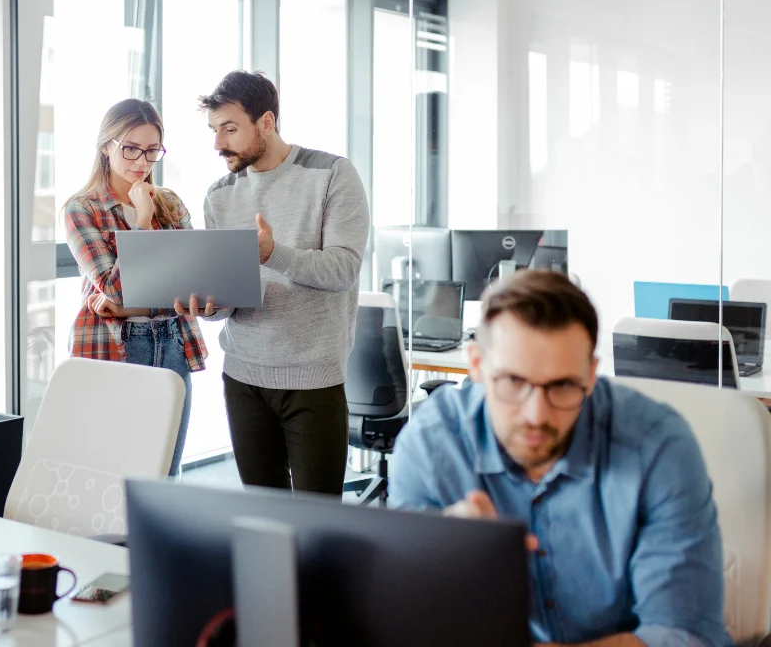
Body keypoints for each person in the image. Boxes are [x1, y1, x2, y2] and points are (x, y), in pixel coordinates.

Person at [389, 270, 730, 647]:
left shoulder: (658, 447)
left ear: (589, 374)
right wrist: (443, 564)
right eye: (514, 382)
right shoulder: (430, 447)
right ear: (476, 365)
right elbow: (405, 623)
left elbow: (685, 634)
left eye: (563, 385)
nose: (536, 415)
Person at [190, 70, 369, 495]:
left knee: (316, 523)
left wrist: (274, 255)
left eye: (230, 129)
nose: (218, 144)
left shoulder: (332, 174)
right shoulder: (219, 194)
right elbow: (230, 294)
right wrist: (210, 306)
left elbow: (344, 270)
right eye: (214, 131)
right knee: (262, 518)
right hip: (243, 378)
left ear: (266, 122)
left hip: (313, 378)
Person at [63, 98, 207, 477]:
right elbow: (115, 287)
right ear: (106, 146)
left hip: (173, 343)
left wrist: (133, 304)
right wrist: (141, 224)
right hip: (116, 345)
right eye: (130, 148)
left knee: (166, 473)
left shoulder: (170, 204)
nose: (141, 162)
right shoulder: (82, 209)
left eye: (151, 151)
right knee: (113, 475)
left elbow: (190, 280)